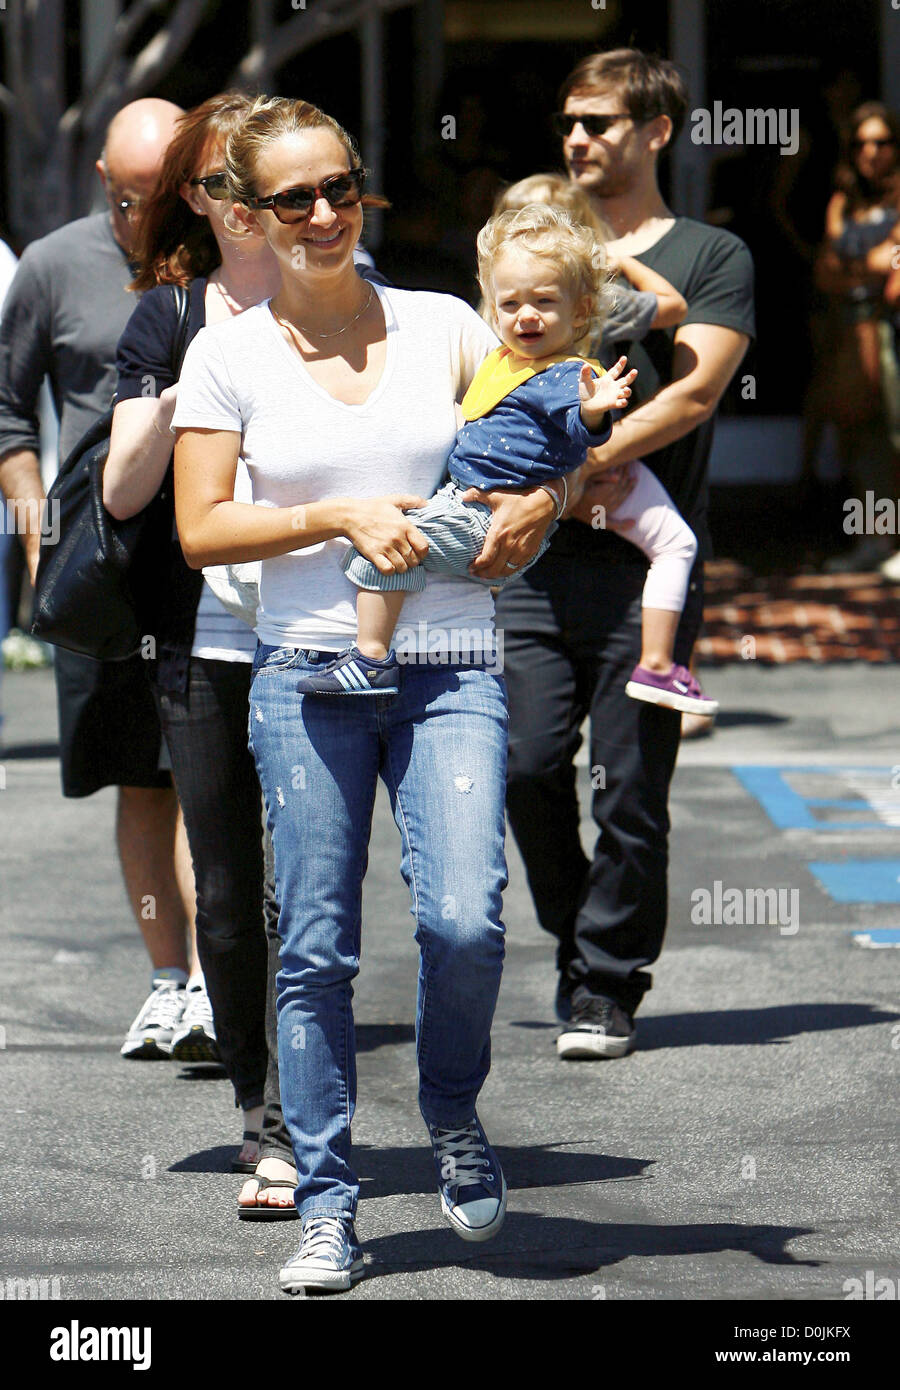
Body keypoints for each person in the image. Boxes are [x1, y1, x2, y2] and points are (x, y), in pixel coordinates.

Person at [172, 95, 559, 1294]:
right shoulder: (223, 352)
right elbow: (199, 528)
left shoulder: (445, 323)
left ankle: (450, 1114)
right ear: (247, 215)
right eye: (297, 199)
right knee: (316, 950)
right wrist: (334, 512)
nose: (329, 214)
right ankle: (330, 1201)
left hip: (449, 669)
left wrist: (534, 515)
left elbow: (535, 451)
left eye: (344, 187)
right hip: (306, 673)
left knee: (464, 920)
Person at [493, 48, 755, 1057]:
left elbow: (691, 394)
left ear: (655, 131)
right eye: (570, 123)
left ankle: (606, 983)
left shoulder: (708, 256)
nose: (579, 139)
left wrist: (573, 468)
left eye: (600, 122)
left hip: (650, 570)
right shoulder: (538, 256)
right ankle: (576, 942)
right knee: (523, 768)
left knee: (631, 790)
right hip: (532, 566)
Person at [305, 202, 716, 721]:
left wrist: (593, 410)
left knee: (384, 550)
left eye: (544, 301)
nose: (526, 315)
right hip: (470, 503)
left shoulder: (564, 374)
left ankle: (370, 660)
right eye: (511, 302)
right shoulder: (503, 361)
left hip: (490, 520)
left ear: (581, 313)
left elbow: (578, 420)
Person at [0, 99, 207, 1059]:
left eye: (157, 198)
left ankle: (221, 979)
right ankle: (169, 981)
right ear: (100, 180)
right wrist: (37, 531)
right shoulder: (50, 265)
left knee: (210, 772)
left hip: (210, 550)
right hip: (100, 560)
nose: (139, 221)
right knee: (137, 774)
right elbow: (6, 411)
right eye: (126, 200)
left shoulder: (219, 264)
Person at [811, 101, 900, 572]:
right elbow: (825, 271)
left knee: (896, 431)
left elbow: (896, 269)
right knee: (860, 436)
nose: (871, 151)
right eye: (862, 142)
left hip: (891, 329)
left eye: (882, 141)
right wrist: (868, 268)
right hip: (850, 327)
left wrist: (858, 267)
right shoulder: (843, 201)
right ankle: (875, 541)